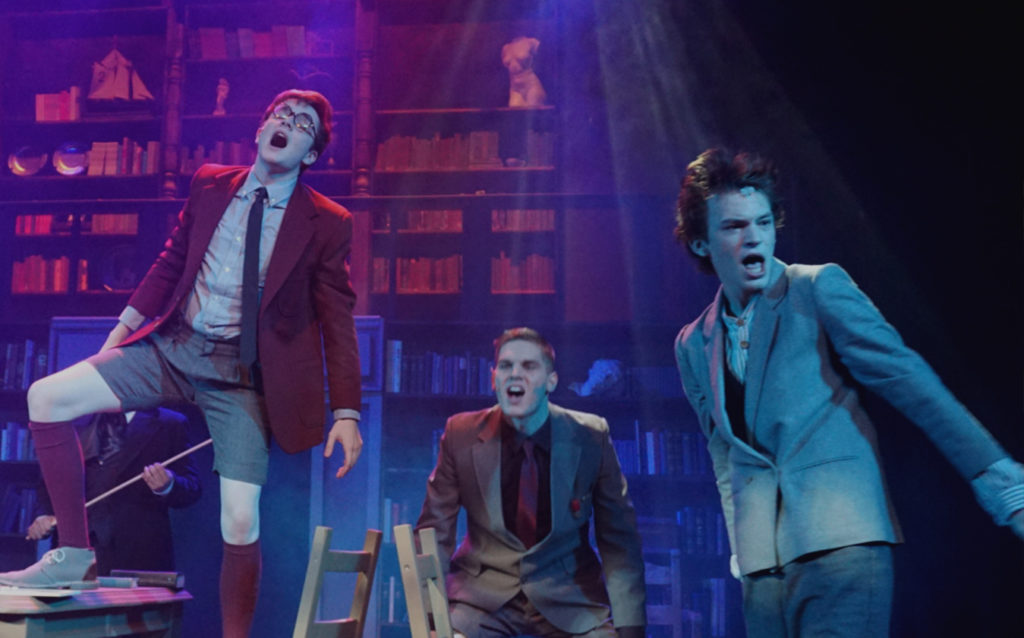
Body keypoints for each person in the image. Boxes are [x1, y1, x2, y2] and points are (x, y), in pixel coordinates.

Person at [0, 89, 364, 638]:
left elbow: (337, 319)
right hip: (171, 348)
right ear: (261, 129)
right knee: (45, 397)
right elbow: (170, 263)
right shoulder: (210, 183)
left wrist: (348, 413)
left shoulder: (327, 222)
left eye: (303, 124)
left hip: (241, 377)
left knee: (240, 518)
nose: (287, 123)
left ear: (310, 154)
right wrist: (119, 335)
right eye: (280, 114)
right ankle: (74, 554)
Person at [671, 148, 1024, 638]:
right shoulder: (693, 343)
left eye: (763, 222)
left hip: (842, 537)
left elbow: (908, 380)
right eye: (733, 226)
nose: (753, 237)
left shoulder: (815, 287)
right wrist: (742, 545)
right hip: (762, 564)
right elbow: (724, 454)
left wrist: (999, 479)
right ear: (701, 243)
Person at [416, 327, 646, 638]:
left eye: (529, 366)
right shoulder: (461, 433)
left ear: (552, 381)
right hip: (480, 602)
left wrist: (629, 630)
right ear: (493, 378)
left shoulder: (591, 435)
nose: (515, 374)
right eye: (506, 366)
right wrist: (432, 618)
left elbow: (620, 540)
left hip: (569, 600)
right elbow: (433, 531)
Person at [26, 408, 202, 576]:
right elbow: (49, 482)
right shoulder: (73, 421)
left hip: (138, 556)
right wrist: (44, 514)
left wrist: (168, 485)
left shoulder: (171, 423)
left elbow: (192, 487)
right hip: (76, 554)